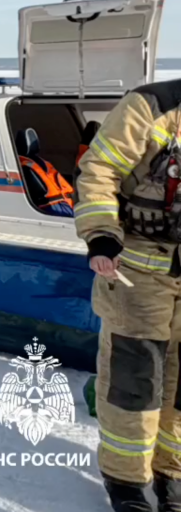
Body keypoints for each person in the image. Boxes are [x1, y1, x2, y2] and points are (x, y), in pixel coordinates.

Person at [74, 78, 181, 512]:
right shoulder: (150, 107)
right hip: (139, 271)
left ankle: (171, 473)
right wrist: (101, 236)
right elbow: (99, 171)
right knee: (134, 381)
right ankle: (127, 484)